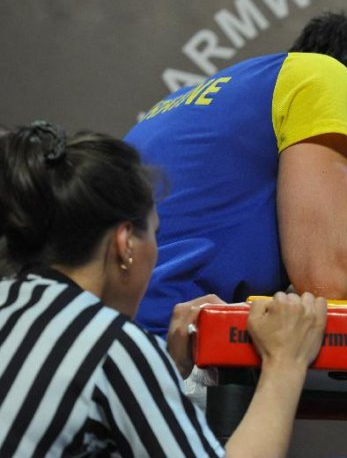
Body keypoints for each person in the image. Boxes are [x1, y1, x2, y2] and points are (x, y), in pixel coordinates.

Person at [126, 11, 347, 336]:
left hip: (105, 332)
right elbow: (332, 274)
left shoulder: (186, 102)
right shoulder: (326, 75)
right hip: (162, 347)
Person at [0, 121, 327, 457]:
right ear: (125, 243)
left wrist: (167, 371)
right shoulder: (112, 345)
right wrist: (285, 360)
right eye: (155, 232)